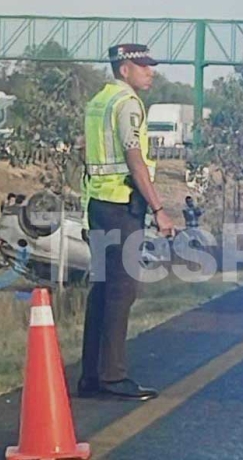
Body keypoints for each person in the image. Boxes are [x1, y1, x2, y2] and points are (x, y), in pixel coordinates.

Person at [78, 43, 175, 401]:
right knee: (122, 291)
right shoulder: (128, 104)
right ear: (124, 69)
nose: (150, 71)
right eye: (143, 66)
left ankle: (91, 375)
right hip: (121, 205)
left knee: (102, 289)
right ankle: (113, 376)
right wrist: (159, 209)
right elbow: (135, 160)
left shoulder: (99, 101)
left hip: (98, 205)